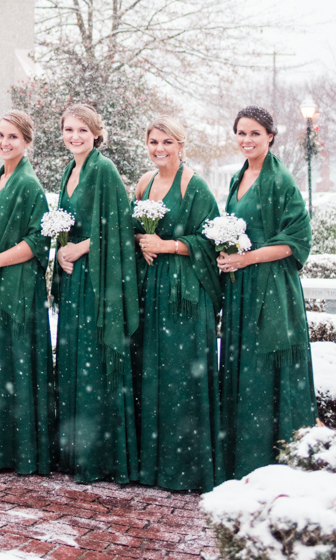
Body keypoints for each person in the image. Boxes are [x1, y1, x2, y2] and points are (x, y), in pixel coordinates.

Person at [218, 106, 317, 478]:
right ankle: (241, 459)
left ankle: (272, 462)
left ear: (270, 136)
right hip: (243, 287)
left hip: (273, 288)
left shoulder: (281, 181)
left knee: (267, 371)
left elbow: (296, 240)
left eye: (255, 133)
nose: (247, 140)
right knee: (244, 367)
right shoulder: (237, 178)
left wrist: (247, 259)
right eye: (241, 133)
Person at [131, 118, 222, 492]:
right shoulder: (143, 184)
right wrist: (142, 240)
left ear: (181, 145)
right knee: (154, 371)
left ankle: (186, 468)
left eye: (167, 142)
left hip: (186, 294)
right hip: (152, 290)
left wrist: (167, 246)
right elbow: (131, 230)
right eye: (153, 142)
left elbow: (214, 239)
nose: (160, 149)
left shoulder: (194, 186)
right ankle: (154, 465)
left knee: (183, 374)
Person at [54, 104, 139, 484]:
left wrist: (82, 247)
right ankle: (76, 453)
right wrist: (60, 250)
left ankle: (100, 456)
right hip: (74, 279)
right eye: (69, 130)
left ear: (96, 133)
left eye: (82, 130)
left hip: (99, 278)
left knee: (95, 358)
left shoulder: (104, 171)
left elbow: (119, 227)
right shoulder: (68, 171)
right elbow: (60, 225)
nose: (75, 136)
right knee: (74, 358)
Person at [0, 112, 53, 475]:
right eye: (1, 135)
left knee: (17, 364)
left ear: (27, 142)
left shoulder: (28, 184)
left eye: (13, 137)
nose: (5, 142)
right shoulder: (2, 175)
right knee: (1, 364)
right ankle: (1, 448)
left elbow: (37, 241)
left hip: (17, 285)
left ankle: (22, 453)